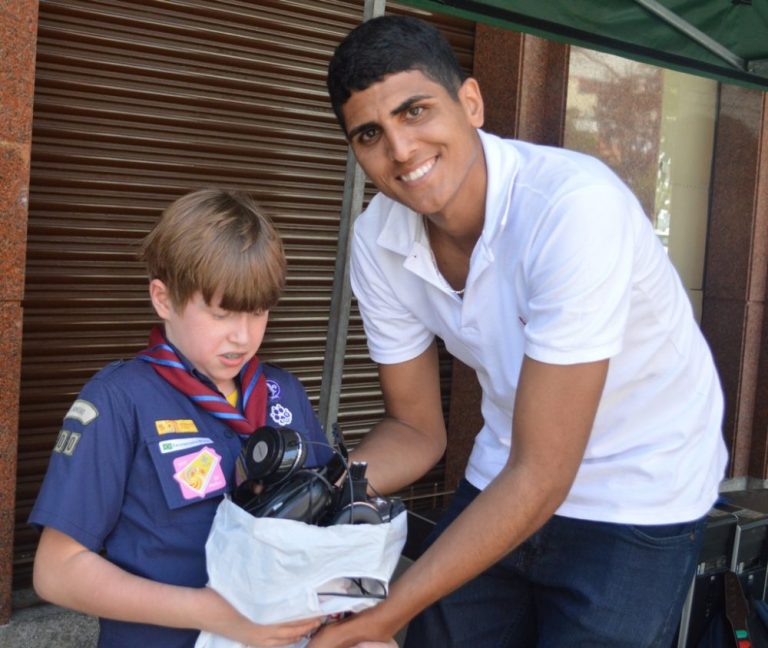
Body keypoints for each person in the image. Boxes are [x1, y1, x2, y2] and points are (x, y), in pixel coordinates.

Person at [309, 14, 729, 648]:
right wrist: (314, 492)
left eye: (415, 111)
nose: (400, 149)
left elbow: (543, 475)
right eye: (370, 134)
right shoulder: (378, 238)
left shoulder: (571, 208)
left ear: (471, 103)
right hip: (509, 463)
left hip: (641, 486)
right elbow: (417, 431)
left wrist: (386, 615)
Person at [29, 188, 333, 647]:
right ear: (163, 299)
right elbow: (56, 571)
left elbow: (324, 521)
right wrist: (211, 613)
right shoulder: (120, 400)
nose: (243, 336)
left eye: (257, 312)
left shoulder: (283, 393)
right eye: (221, 313)